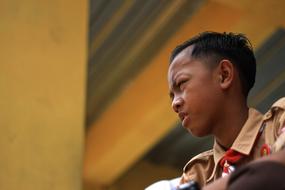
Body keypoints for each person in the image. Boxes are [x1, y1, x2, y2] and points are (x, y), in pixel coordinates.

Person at [167, 31, 285, 188]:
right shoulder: (198, 173)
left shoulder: (279, 122)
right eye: (172, 96)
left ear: (224, 75)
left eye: (182, 84)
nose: (174, 103)